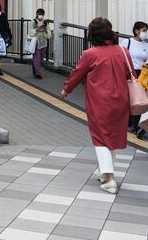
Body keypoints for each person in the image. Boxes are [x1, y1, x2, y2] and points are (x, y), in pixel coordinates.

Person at [61, 17, 130, 194]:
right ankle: (104, 172)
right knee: (112, 136)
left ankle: (110, 179)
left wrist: (67, 89)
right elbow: (130, 75)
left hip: (100, 101)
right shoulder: (123, 51)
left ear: (92, 34)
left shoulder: (90, 54)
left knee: (100, 137)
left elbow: (77, 73)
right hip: (122, 99)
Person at [125, 21, 148, 135]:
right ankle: (128, 123)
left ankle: (137, 126)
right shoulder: (127, 42)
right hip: (129, 72)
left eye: (146, 31)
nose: (145, 33)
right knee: (129, 99)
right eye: (143, 30)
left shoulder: (147, 46)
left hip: (141, 74)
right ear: (136, 31)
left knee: (139, 99)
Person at [30, 8, 52, 79]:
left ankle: (35, 66)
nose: (41, 16)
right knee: (37, 57)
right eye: (39, 14)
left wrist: (45, 29)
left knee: (41, 58)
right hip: (36, 42)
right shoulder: (33, 22)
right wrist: (37, 29)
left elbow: (49, 34)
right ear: (37, 14)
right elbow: (30, 32)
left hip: (43, 42)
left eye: (42, 14)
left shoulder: (45, 23)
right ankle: (38, 73)